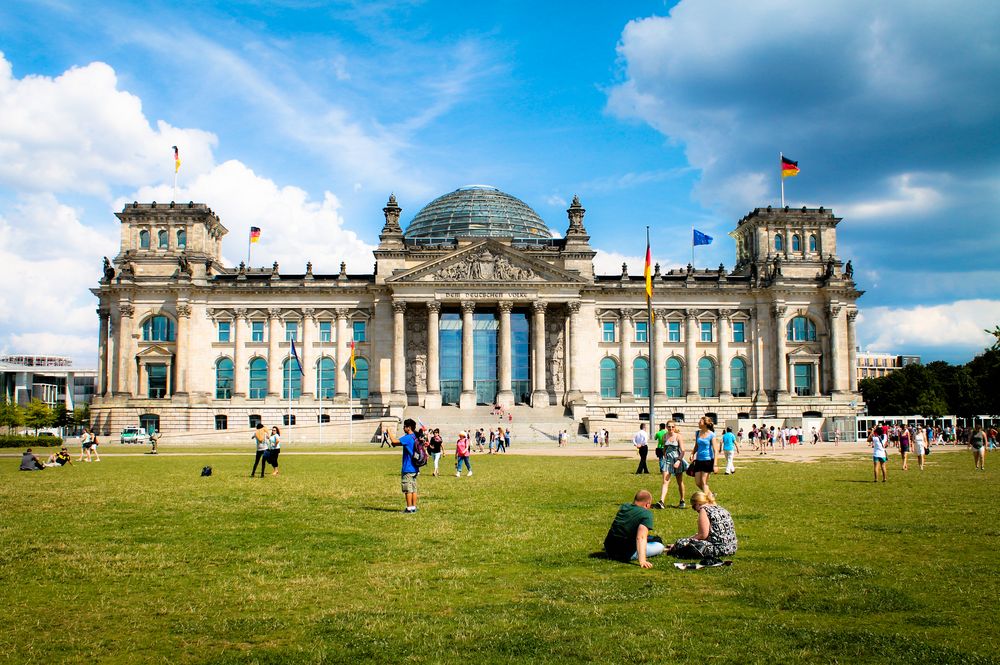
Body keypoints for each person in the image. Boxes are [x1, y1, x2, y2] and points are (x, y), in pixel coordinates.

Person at [666, 491, 738, 564]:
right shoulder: (721, 508)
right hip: (732, 547)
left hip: (719, 549)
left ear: (698, 503)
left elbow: (703, 535)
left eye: (694, 507)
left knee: (680, 542)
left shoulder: (704, 510)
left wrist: (686, 541)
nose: (695, 510)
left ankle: (674, 548)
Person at [603, 489, 665, 568]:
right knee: (659, 546)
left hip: (609, 549)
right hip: (624, 553)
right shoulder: (646, 514)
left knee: (653, 538)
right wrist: (642, 560)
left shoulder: (624, 507)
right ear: (647, 504)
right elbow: (640, 538)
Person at [387, 418, 420, 513]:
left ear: (408, 428)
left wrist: (389, 431)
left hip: (408, 467)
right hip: (415, 467)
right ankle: (413, 507)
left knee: (407, 489)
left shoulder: (408, 437)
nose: (403, 428)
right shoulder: (414, 437)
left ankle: (409, 508)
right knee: (413, 488)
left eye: (404, 426)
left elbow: (394, 441)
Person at [655, 422, 687, 509]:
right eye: (669, 427)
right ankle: (661, 501)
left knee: (679, 482)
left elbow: (683, 450)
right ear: (666, 427)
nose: (671, 428)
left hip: (677, 460)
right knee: (665, 482)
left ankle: (682, 500)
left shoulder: (678, 436)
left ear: (674, 427)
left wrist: (679, 461)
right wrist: (664, 454)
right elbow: (664, 447)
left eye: (672, 427)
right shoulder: (664, 436)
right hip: (668, 461)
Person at [688, 417, 717, 498]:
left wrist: (715, 465)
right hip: (698, 460)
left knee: (704, 482)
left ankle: (709, 501)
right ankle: (711, 495)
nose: (698, 423)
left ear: (705, 424)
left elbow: (715, 450)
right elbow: (696, 445)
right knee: (698, 482)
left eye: (700, 422)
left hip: (708, 460)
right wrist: (692, 453)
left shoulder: (711, 434)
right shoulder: (698, 433)